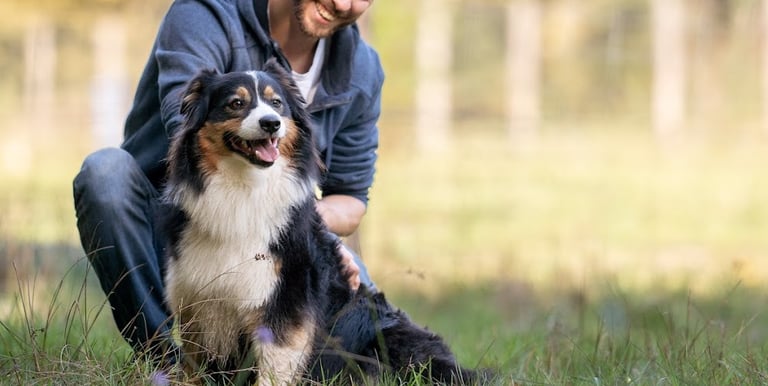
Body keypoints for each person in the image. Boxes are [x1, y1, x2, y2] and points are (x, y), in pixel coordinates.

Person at [73, 0, 381, 362]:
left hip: (272, 233)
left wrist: (312, 231)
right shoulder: (203, 15)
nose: (343, 3)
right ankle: (166, 365)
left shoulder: (362, 67)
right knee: (105, 173)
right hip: (177, 224)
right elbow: (187, 132)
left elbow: (350, 198)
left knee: (362, 298)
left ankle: (273, 366)